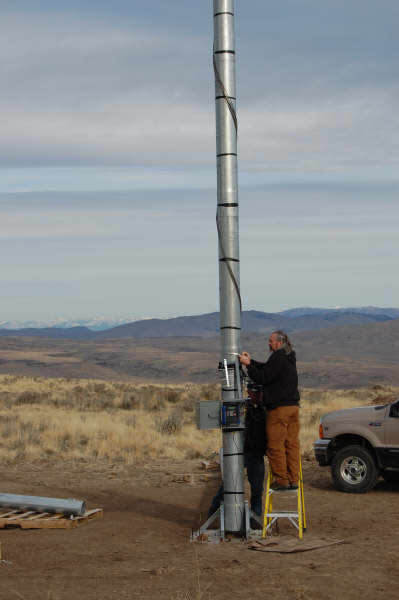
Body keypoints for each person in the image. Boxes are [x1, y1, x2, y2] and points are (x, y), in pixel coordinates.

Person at [239, 330, 300, 491]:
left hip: (279, 410)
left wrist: (248, 366)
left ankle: (281, 481)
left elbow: (263, 377)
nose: (269, 343)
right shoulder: (288, 356)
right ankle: (294, 479)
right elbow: (267, 368)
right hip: (293, 408)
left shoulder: (278, 357)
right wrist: (250, 361)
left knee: (275, 445)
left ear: (279, 342)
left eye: (270, 341)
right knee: (291, 444)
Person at [208, 383, 266, 523]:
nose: (257, 395)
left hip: (256, 454)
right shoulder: (242, 406)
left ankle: (255, 517)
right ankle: (214, 509)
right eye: (254, 392)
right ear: (248, 392)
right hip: (239, 451)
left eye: (259, 392)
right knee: (228, 483)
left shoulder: (265, 409)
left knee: (257, 487)